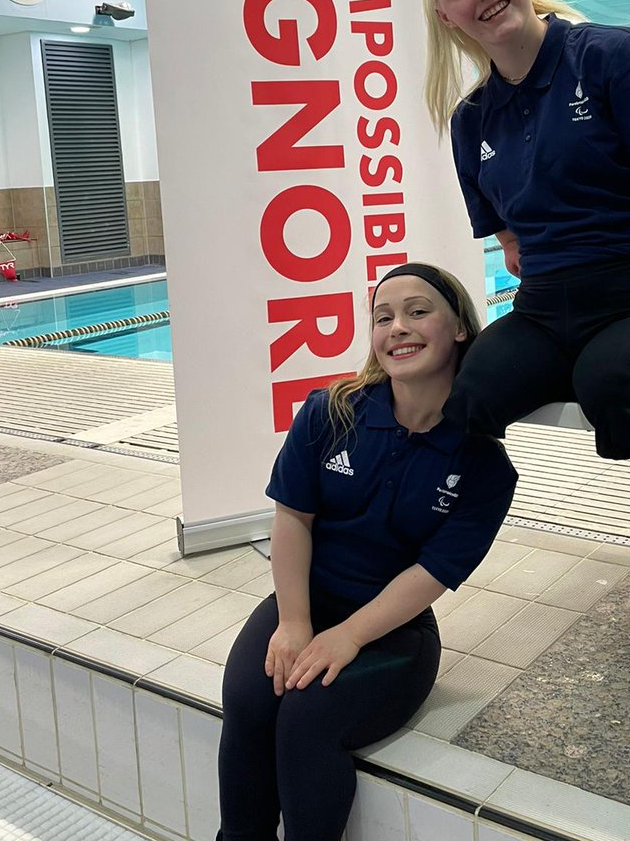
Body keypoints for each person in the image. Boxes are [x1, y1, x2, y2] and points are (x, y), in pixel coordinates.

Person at [216, 262, 517, 841]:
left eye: (417, 312)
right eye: (383, 317)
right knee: (250, 701)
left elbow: (432, 572)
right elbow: (292, 518)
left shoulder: (483, 463)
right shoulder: (330, 411)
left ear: (459, 327)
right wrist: (295, 621)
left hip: (393, 634)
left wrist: (349, 635)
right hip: (306, 603)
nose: (397, 327)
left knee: (306, 719)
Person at [421, 0, 630, 461]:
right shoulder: (471, 119)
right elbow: (511, 248)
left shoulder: (611, 56)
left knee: (614, 388)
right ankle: (456, 516)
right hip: (542, 312)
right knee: (468, 397)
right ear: (445, 15)